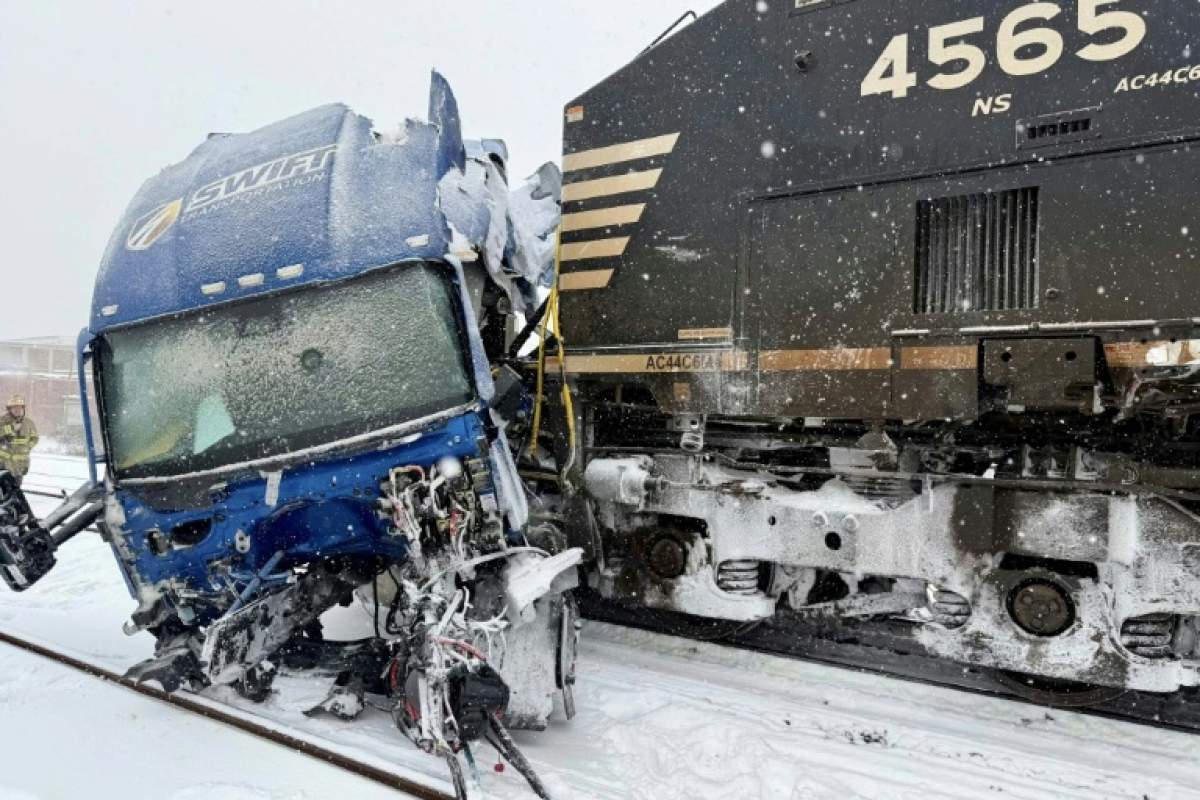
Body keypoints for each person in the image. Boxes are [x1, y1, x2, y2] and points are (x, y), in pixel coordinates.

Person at [0, 395, 39, 486]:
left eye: (20, 407)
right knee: (3, 490)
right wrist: (10, 428)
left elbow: (35, 438)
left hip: (20, 465)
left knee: (16, 490)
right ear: (9, 409)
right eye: (14, 408)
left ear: (23, 409)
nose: (18, 410)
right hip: (3, 463)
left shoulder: (29, 423)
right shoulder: (2, 421)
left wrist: (28, 447)